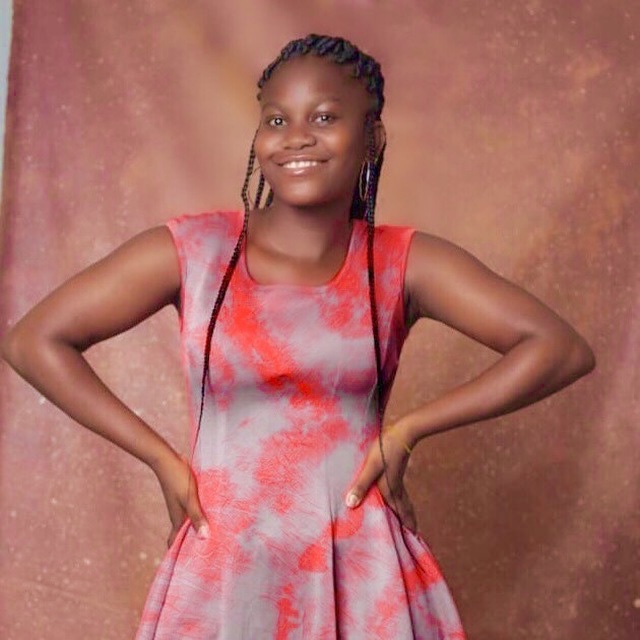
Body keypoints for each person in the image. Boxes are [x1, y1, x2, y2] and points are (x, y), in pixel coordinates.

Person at [1, 34, 595, 639]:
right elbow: (34, 341)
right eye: (278, 119)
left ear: (372, 139)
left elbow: (558, 349)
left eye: (325, 117)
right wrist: (160, 459)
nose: (297, 137)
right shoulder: (195, 250)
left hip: (361, 570)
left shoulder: (403, 262)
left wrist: (409, 431)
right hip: (225, 568)